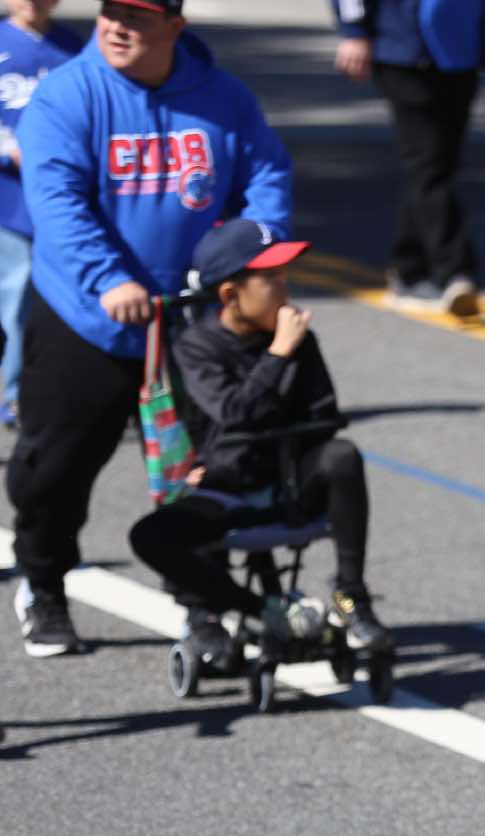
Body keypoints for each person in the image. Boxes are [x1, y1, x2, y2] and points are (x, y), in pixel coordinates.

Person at [7, 0, 291, 659]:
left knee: (202, 472)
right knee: (55, 469)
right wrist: (108, 279)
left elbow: (267, 175)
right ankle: (43, 583)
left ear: (174, 27)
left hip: (191, 321)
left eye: (136, 17)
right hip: (87, 316)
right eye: (110, 12)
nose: (116, 27)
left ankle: (200, 604)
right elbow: (56, 200)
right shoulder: (68, 95)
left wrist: (254, 251)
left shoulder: (222, 97)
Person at [127, 219, 389, 661]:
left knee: (342, 456)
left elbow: (323, 417)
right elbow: (234, 413)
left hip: (290, 482)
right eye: (270, 279)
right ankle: (242, 609)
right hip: (226, 485)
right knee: (150, 537)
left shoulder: (300, 341)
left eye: (284, 275)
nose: (284, 288)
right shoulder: (197, 348)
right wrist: (277, 354)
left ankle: (351, 595)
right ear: (231, 294)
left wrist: (284, 356)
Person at [332, 0, 485, 317]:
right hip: (403, 52)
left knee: (435, 167)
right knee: (429, 166)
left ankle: (408, 269)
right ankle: (456, 272)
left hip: (461, 52)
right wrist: (355, 31)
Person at [0, 0, 84, 428]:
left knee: (60, 297)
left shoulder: (73, 47)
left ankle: (58, 386)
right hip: (9, 198)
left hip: (61, 198)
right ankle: (17, 393)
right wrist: (8, 148)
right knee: (15, 297)